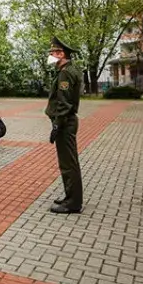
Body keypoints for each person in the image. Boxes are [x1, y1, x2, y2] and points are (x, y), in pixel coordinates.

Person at [46, 36, 84, 214]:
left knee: (68, 164)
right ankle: (71, 196)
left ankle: (73, 203)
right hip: (66, 122)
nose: (50, 55)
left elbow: (64, 103)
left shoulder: (65, 73)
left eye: (53, 52)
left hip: (65, 123)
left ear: (61, 54)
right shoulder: (69, 69)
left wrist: (56, 125)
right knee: (68, 162)